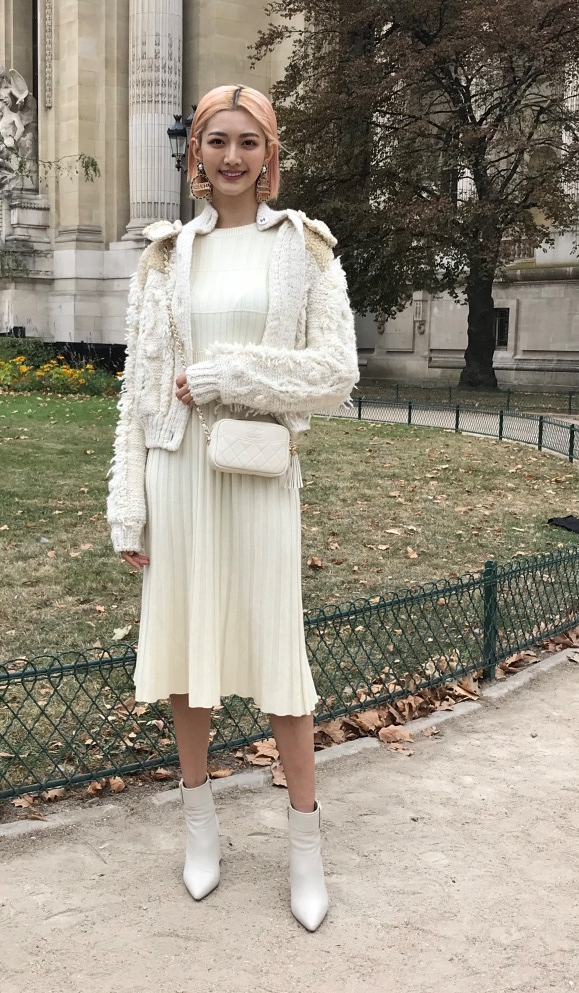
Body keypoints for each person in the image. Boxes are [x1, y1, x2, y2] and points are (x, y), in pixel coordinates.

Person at [107, 84, 359, 931]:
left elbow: (335, 373)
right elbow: (140, 390)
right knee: (189, 660)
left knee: (280, 663)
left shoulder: (305, 249)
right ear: (196, 155)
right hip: (178, 474)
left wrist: (230, 376)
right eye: (217, 140)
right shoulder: (165, 255)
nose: (232, 156)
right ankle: (200, 827)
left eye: (249, 141)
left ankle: (305, 847)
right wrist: (129, 505)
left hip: (257, 474)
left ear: (270, 154)